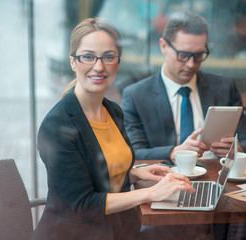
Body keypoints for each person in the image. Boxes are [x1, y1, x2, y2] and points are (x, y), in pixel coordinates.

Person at [31, 18, 195, 240]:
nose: (99, 66)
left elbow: (96, 172)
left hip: (118, 229)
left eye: (108, 57)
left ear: (117, 62)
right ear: (73, 62)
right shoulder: (57, 126)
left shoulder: (112, 111)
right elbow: (83, 203)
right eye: (88, 56)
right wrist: (150, 193)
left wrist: (134, 174)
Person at [121, 11, 246, 163]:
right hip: (166, 178)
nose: (191, 64)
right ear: (163, 46)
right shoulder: (136, 96)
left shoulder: (225, 87)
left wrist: (238, 150)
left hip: (217, 174)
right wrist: (173, 152)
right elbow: (135, 154)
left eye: (198, 55)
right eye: (183, 55)